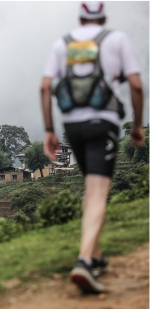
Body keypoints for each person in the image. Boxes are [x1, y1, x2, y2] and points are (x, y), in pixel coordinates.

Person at [40, 1, 145, 293]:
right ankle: (84, 260)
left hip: (72, 126)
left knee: (91, 187)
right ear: (104, 16)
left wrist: (49, 129)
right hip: (103, 124)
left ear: (80, 17)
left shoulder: (63, 44)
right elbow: (136, 85)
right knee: (99, 191)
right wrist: (137, 127)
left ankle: (95, 255)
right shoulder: (117, 39)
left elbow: (45, 87)